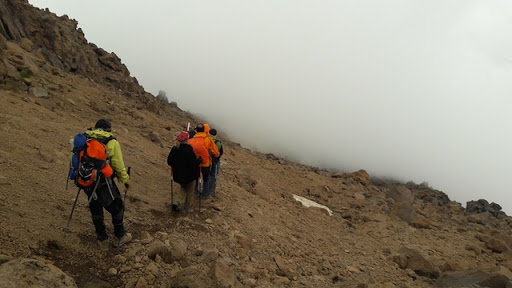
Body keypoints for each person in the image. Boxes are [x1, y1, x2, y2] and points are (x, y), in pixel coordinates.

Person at [83, 119, 132, 250]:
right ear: (108, 129)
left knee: (95, 207)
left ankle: (102, 238)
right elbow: (118, 165)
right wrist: (125, 180)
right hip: (104, 181)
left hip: (87, 180)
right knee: (117, 206)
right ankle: (120, 236)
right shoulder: (111, 142)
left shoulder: (86, 138)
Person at [167, 131, 202, 213]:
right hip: (189, 176)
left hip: (177, 175)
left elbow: (169, 162)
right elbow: (193, 164)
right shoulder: (189, 151)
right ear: (187, 139)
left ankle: (177, 202)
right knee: (189, 191)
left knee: (183, 187)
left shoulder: (175, 149)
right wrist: (199, 161)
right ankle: (187, 208)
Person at [188, 123, 220, 198]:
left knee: (196, 178)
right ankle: (205, 194)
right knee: (206, 179)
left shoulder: (192, 140)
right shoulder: (208, 139)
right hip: (206, 163)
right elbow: (215, 151)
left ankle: (195, 192)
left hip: (196, 163)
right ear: (205, 130)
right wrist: (217, 155)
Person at [208, 128, 223, 197]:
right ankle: (212, 192)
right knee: (213, 176)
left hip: (207, 161)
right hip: (215, 162)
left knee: (207, 175)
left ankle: (206, 191)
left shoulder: (207, 140)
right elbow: (221, 152)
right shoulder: (218, 142)